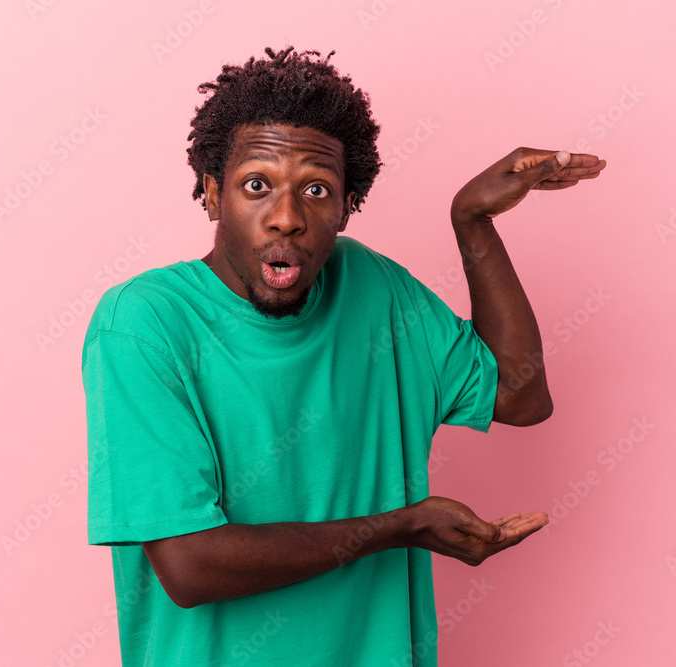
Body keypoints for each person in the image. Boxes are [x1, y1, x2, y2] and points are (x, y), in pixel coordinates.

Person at [82, 46, 605, 666]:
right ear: (213, 194)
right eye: (257, 185)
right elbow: (191, 566)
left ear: (346, 207)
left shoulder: (373, 288)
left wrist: (473, 222)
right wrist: (401, 526)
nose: (286, 217)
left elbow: (520, 396)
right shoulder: (143, 324)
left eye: (316, 190)